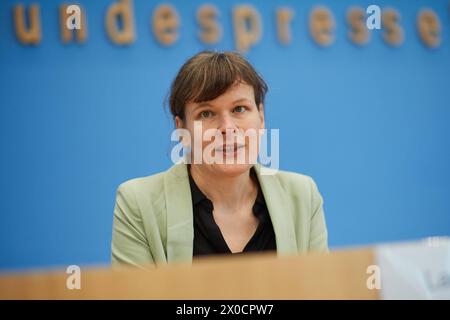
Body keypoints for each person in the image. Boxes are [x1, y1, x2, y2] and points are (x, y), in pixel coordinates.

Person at [111, 51, 328, 267]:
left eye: (239, 109)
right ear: (181, 130)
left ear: (261, 118)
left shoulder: (302, 196)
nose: (227, 128)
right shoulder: (139, 203)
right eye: (206, 113)